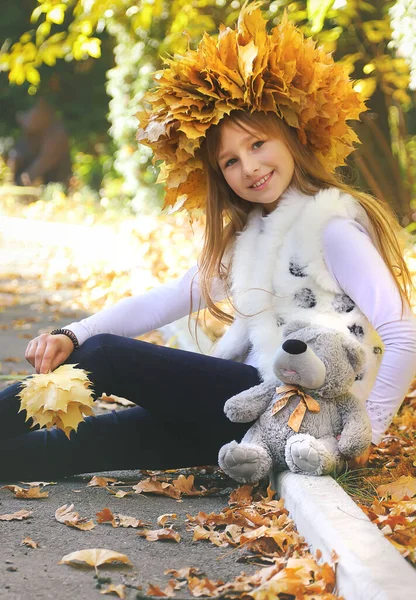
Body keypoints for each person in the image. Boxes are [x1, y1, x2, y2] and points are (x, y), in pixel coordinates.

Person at [1, 2, 415, 481]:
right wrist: (72, 332)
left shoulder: (331, 225)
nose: (250, 168)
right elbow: (170, 299)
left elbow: (403, 330)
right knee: (65, 447)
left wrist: (368, 435)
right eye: (231, 161)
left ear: (293, 138)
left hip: (300, 410)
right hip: (247, 413)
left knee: (105, 356)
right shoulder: (254, 235)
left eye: (258, 144)